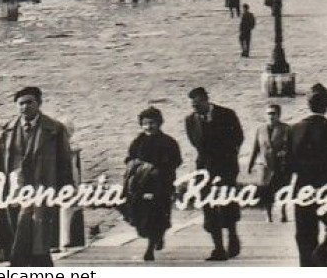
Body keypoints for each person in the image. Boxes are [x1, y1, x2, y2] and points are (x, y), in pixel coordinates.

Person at [0, 86, 76, 266]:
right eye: (20, 103)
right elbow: (1, 162)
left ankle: (18, 268)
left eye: (29, 102)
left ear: (39, 103)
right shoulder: (8, 131)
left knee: (29, 235)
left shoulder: (55, 129)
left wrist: (66, 190)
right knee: (33, 241)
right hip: (15, 191)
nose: (25, 107)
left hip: (43, 190)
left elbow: (64, 162)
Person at [287, 84, 327, 266]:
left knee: (305, 237)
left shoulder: (294, 129)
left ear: (308, 104)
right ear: (326, 105)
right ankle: (322, 259)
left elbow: (288, 165)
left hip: (303, 191)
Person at [184, 86, 244, 261]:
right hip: (204, 169)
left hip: (226, 166)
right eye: (192, 106)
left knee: (228, 204)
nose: (194, 108)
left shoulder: (227, 114)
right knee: (208, 208)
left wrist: (228, 156)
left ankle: (232, 236)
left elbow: (238, 137)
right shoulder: (190, 120)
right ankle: (218, 248)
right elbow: (195, 143)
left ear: (205, 100)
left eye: (196, 104)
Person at [121, 108, 182, 261]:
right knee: (140, 215)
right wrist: (134, 164)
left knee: (155, 215)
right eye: (145, 124)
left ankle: (150, 247)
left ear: (159, 123)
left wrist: (159, 168)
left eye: (152, 123)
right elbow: (129, 158)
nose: (148, 127)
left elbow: (176, 161)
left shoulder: (168, 142)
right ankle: (155, 235)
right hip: (141, 184)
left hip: (160, 184)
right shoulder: (138, 141)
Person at [246, 104, 290, 223]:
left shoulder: (285, 128)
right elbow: (255, 148)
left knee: (282, 190)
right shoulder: (260, 129)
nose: (271, 116)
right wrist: (250, 165)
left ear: (278, 115)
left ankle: (283, 213)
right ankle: (268, 215)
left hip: (280, 166)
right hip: (264, 166)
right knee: (266, 192)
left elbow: (289, 146)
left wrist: (284, 153)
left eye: (273, 113)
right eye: (268, 113)